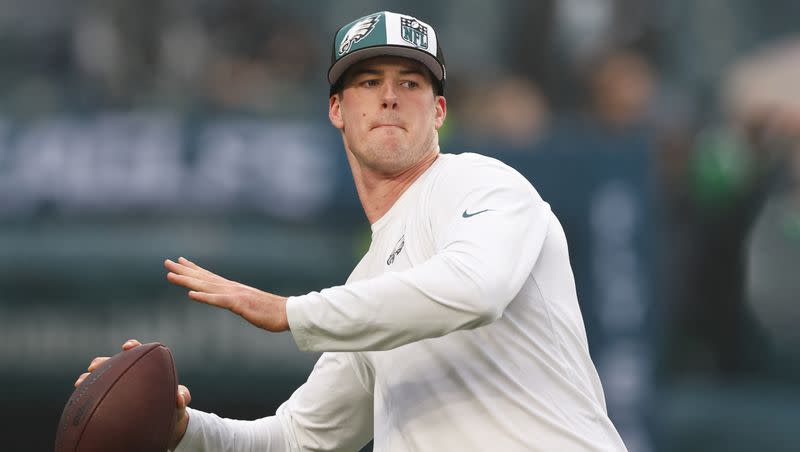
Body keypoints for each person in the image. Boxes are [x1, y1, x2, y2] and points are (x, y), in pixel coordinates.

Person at [76, 11, 627, 451]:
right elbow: (297, 437)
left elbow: (474, 290)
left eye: (409, 82)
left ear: (438, 111)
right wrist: (183, 430)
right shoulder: (371, 284)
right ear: (337, 109)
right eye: (369, 81)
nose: (389, 96)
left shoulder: (482, 182)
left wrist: (290, 312)